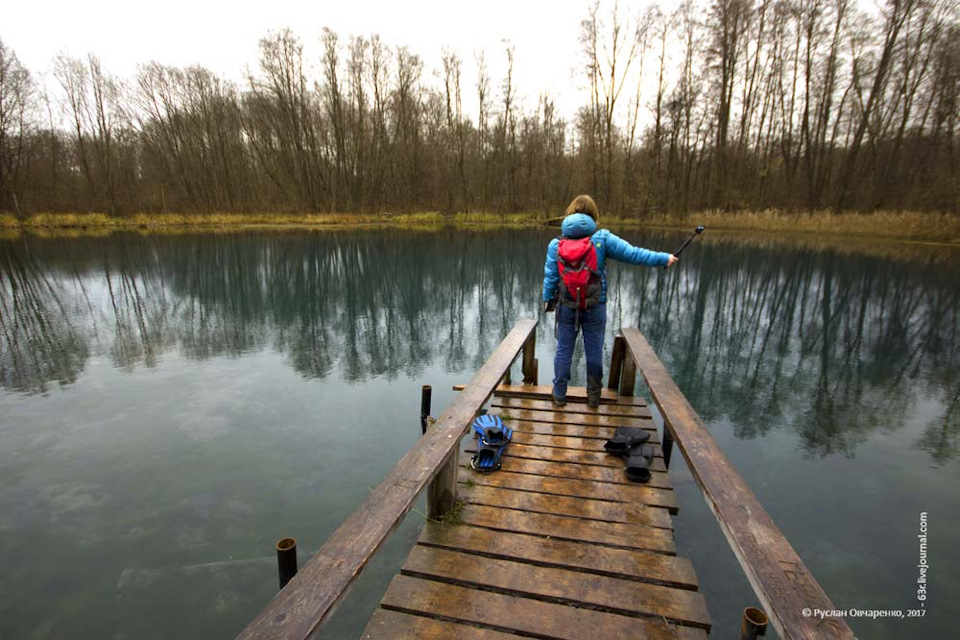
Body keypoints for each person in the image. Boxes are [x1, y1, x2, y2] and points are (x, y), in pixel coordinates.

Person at [542, 195, 678, 408]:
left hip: (567, 305)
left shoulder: (556, 243)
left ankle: (559, 395)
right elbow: (633, 254)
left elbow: (550, 276)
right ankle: (594, 397)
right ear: (593, 214)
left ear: (569, 213)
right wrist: (663, 258)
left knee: (563, 350)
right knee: (594, 351)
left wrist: (547, 299)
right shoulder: (602, 238)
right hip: (595, 306)